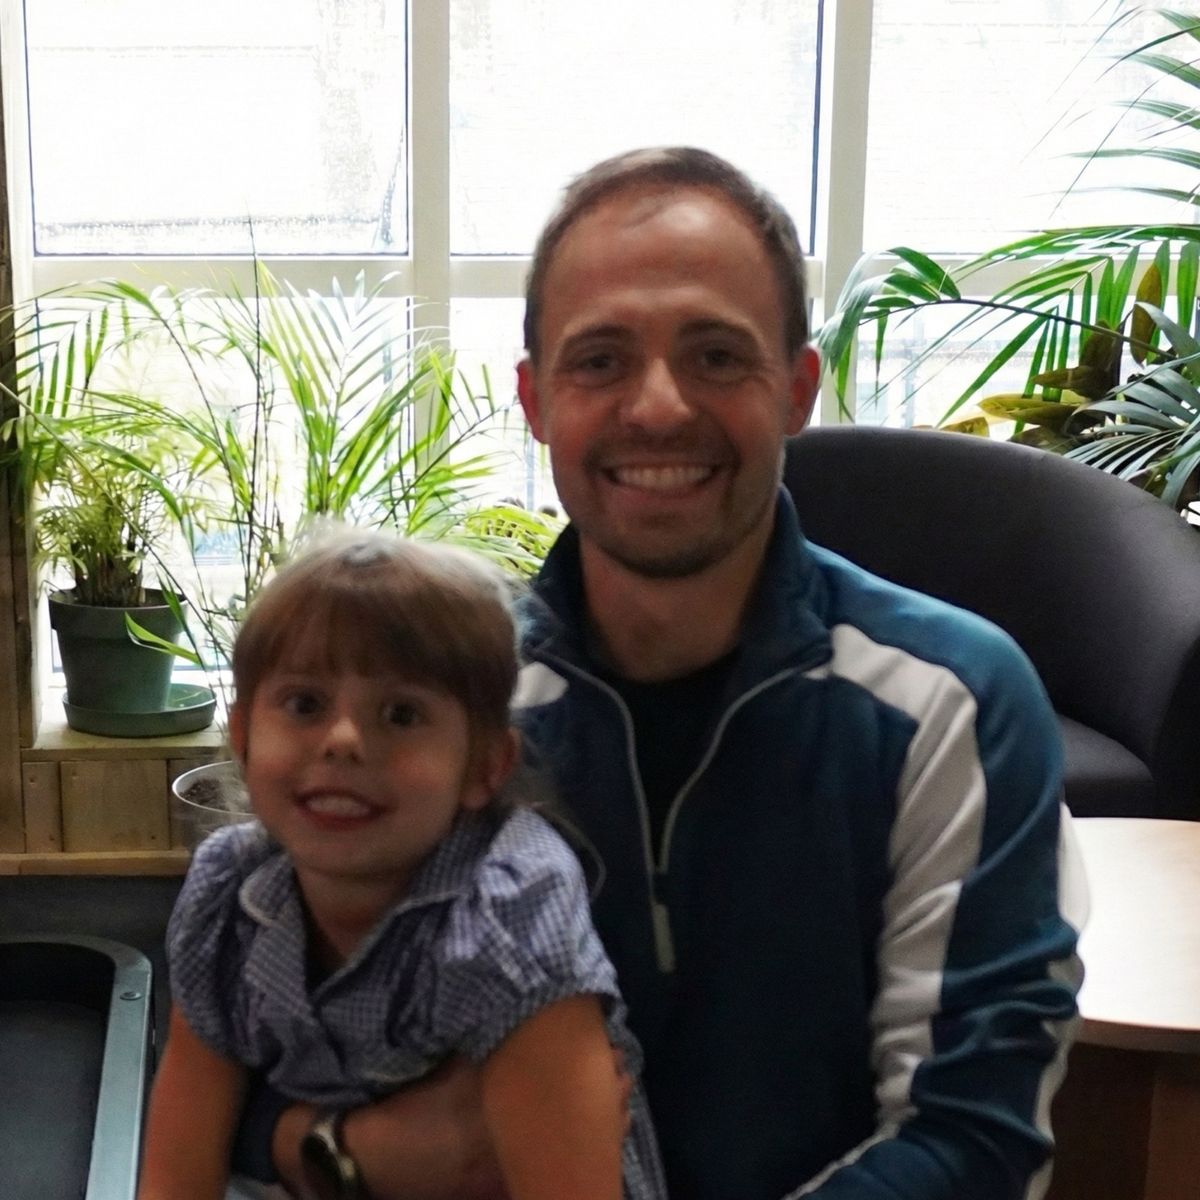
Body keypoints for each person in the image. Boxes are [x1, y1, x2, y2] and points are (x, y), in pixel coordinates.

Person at [235, 147, 1089, 1200]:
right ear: (536, 400)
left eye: (717, 357)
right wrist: (344, 1153)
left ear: (797, 390)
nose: (658, 407)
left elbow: (973, 1143)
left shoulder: (952, 705)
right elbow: (244, 1048)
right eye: (599, 361)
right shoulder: (445, 711)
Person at [139, 530, 666, 1200]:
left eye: (401, 714)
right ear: (242, 738)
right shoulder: (228, 894)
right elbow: (175, 1177)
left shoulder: (506, 914)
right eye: (305, 704)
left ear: (484, 766)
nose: (343, 740)